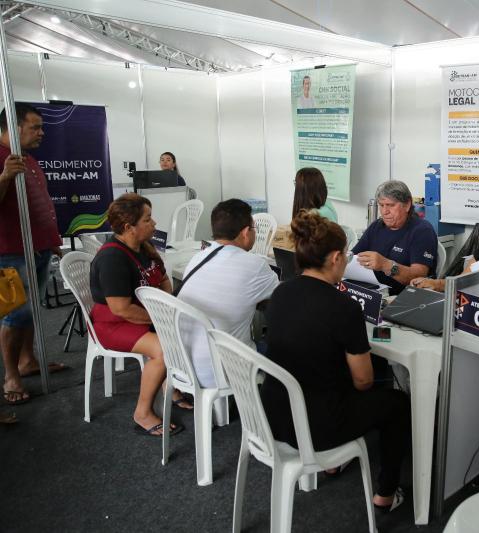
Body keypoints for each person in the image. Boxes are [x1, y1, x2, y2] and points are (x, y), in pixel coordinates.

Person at [262, 211, 410, 512]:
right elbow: (364, 381)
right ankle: (385, 493)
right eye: (344, 254)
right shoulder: (343, 307)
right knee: (396, 403)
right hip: (316, 425)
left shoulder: (280, 292)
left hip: (274, 413)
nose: (346, 259)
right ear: (333, 258)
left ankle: (334, 466)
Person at [89, 193, 186, 436]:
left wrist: (164, 306)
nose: (154, 224)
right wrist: (162, 318)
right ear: (128, 227)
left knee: (181, 334)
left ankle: (168, 387)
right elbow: (120, 308)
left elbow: (163, 281)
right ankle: (142, 413)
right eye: (147, 219)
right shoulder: (113, 258)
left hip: (140, 314)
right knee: (164, 349)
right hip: (114, 323)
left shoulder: (144, 247)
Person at [0, 103, 66, 406]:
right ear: (12, 128)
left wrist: (51, 239)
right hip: (10, 252)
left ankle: (28, 360)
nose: (41, 132)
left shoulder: (26, 159)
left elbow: (38, 204)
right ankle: (11, 375)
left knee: (32, 310)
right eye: (35, 127)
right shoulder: (6, 161)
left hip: (37, 248)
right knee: (17, 314)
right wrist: (3, 178)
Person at [178, 199, 279, 387]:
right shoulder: (254, 265)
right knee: (289, 352)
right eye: (254, 228)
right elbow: (282, 300)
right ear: (245, 232)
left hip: (183, 364)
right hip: (223, 370)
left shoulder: (197, 257)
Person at [351, 180, 438, 295]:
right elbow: (354, 257)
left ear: (407, 205)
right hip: (372, 291)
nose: (385, 211)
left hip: (403, 296)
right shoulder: (377, 225)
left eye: (390, 205)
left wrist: (385, 265)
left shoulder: (422, 231)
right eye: (381, 205)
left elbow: (419, 277)